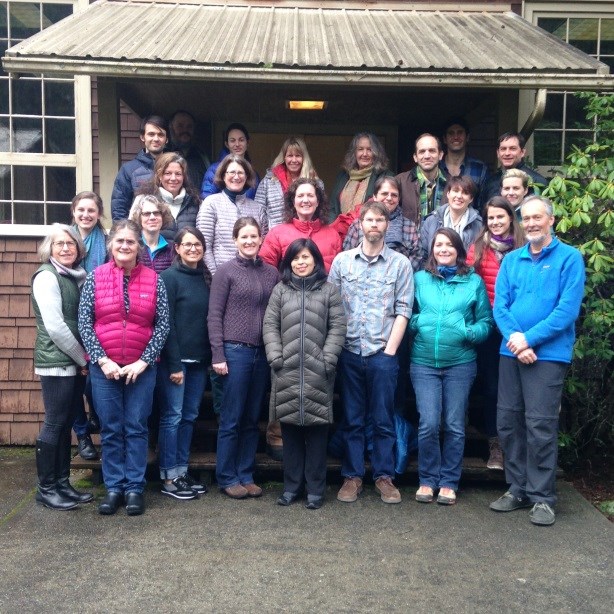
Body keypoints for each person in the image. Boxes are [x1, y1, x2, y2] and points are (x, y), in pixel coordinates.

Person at [490, 196, 585, 526]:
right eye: (525, 218)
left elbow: (567, 311)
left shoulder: (569, 259)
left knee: (540, 425)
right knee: (509, 422)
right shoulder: (512, 260)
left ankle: (543, 497)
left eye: (536, 218)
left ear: (551, 220)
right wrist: (518, 341)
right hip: (511, 353)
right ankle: (518, 489)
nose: (530, 223)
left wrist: (528, 339)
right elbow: (500, 307)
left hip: (548, 356)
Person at [78, 219, 170, 516]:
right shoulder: (95, 277)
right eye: (120, 242)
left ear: (139, 247)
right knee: (111, 428)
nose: (125, 246)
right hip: (104, 368)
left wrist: (143, 361)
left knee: (136, 427)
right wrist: (102, 360)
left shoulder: (155, 280)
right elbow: (85, 323)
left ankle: (134, 488)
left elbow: (162, 325)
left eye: (131, 242)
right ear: (111, 245)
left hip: (141, 369)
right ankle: (114, 487)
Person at [329, 201, 413, 505]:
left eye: (380, 220)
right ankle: (352, 476)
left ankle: (383, 476)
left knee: (382, 418)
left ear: (386, 226)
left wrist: (390, 352)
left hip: (383, 352)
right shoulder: (342, 262)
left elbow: (403, 310)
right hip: (349, 351)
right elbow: (332, 307)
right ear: (360, 225)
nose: (374, 225)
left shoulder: (400, 264)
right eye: (369, 220)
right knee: (352, 418)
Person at [411, 228, 492, 505]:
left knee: (455, 425)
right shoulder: (420, 279)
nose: (443, 249)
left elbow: (485, 322)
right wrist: (417, 324)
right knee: (429, 423)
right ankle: (427, 479)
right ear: (432, 249)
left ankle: (448, 482)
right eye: (438, 245)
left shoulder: (473, 282)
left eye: (449, 245)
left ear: (459, 249)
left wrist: (468, 334)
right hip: (423, 363)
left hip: (460, 364)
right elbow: (406, 313)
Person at [263, 239, 346, 510]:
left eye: (306, 257)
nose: (301, 263)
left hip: (317, 372)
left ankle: (315, 490)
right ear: (289, 263)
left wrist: (327, 359)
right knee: (291, 437)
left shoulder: (329, 291)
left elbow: (337, 327)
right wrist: (276, 357)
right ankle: (291, 488)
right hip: (285, 371)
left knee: (317, 437)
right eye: (296, 258)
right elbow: (270, 326)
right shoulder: (280, 291)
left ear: (316, 261)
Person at [208, 217, 279, 499]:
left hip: (261, 354)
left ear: (261, 239)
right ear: (235, 240)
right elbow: (214, 315)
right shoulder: (225, 272)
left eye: (254, 236)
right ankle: (227, 476)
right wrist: (217, 353)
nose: (249, 241)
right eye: (244, 237)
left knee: (251, 419)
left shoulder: (271, 273)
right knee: (231, 418)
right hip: (234, 352)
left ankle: (246, 473)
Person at [32, 224, 93, 510]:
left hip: (72, 361)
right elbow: (56, 327)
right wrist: (83, 358)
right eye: (59, 244)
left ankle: (61, 483)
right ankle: (46, 489)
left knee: (66, 423)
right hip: (57, 361)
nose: (66, 248)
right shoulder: (47, 277)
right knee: (54, 424)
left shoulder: (72, 277)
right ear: (50, 249)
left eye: (70, 243)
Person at [467, 197, 526, 470]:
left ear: (511, 218)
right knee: (492, 387)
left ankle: (517, 445)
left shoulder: (525, 247)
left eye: (501, 216)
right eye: (491, 218)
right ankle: (496, 445)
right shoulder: (478, 247)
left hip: (519, 328)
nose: (496, 222)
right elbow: (467, 282)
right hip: (490, 326)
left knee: (516, 388)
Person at [157, 227, 212, 500]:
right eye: (187, 244)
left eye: (197, 244)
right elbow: (166, 326)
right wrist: (175, 364)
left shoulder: (205, 277)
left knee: (189, 417)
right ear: (176, 248)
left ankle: (181, 469)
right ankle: (168, 476)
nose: (193, 249)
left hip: (200, 362)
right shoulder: (168, 278)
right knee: (173, 417)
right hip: (175, 364)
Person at [70, 191, 107, 460]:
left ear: (98, 213)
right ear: (74, 212)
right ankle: (82, 435)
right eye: (81, 210)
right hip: (69, 314)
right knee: (73, 383)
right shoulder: (64, 240)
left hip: (96, 316)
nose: (86, 215)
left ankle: (96, 416)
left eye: (91, 210)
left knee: (93, 379)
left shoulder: (104, 242)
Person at [197, 154, 267, 276]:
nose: (236, 177)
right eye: (231, 172)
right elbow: (204, 246)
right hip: (221, 277)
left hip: (252, 277)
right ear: (223, 176)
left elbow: (264, 246)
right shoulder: (211, 203)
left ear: (247, 177)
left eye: (241, 173)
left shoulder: (258, 208)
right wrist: (216, 277)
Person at [259, 178, 341, 273]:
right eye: (300, 196)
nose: (305, 200)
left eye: (310, 195)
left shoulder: (333, 235)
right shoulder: (276, 233)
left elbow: (338, 274)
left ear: (318, 202)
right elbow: (264, 272)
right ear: (293, 202)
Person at [343, 176, 421, 271]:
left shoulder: (410, 226)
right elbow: (347, 256)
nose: (389, 198)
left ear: (399, 199)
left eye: (394, 195)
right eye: (384, 193)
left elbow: (417, 256)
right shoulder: (358, 224)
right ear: (374, 197)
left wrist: (394, 276)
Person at [255, 136, 322, 228]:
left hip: (306, 238)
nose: (294, 160)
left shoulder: (315, 182)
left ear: (304, 158)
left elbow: (321, 212)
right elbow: (258, 212)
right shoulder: (269, 181)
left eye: (298, 156)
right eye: (290, 156)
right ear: (284, 157)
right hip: (276, 237)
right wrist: (267, 237)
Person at [111, 115, 169, 221]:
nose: (156, 139)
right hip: (139, 234)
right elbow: (119, 209)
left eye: (160, 135)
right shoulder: (128, 170)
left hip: (170, 235)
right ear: (142, 137)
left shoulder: (175, 168)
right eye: (151, 134)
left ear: (167, 139)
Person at [329, 132, 393, 221]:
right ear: (354, 152)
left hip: (368, 230)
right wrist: (333, 229)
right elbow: (332, 207)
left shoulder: (385, 176)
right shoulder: (342, 176)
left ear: (376, 153)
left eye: (369, 149)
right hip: (339, 231)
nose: (365, 154)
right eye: (360, 149)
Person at [137, 152, 202, 240]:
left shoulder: (195, 202)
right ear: (160, 176)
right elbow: (134, 234)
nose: (173, 178)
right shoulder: (143, 201)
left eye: (178, 174)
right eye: (168, 173)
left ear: (184, 177)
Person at [419, 175, 482, 264]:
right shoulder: (431, 221)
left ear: (471, 199)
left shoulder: (479, 225)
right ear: (448, 194)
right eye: (455, 191)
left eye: (465, 193)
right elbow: (423, 256)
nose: (459, 196)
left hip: (465, 275)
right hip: (435, 274)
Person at [480, 132, 547, 208]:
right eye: (503, 149)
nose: (507, 153)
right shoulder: (490, 182)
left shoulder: (537, 181)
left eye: (512, 149)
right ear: (498, 153)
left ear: (522, 152)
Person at [396, 133, 448, 225]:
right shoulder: (399, 182)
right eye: (422, 151)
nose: (427, 156)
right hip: (409, 239)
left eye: (432, 151)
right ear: (415, 157)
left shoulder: (453, 184)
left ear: (440, 155)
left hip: (442, 239)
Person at [200, 123, 259, 200]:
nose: (237, 144)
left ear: (247, 143)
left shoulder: (253, 173)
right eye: (232, 141)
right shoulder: (215, 169)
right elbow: (206, 198)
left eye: (241, 140)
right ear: (227, 144)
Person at [439, 117, 488, 199]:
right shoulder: (436, 167)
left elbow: (484, 203)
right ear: (444, 139)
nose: (456, 137)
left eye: (460, 132)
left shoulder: (480, 168)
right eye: (451, 133)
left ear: (467, 137)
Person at [129, 194, 175, 273]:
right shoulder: (131, 246)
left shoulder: (172, 249)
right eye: (147, 214)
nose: (152, 217)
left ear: (162, 217)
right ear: (139, 218)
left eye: (156, 213)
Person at [169, 110, 210, 190]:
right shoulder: (164, 154)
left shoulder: (202, 157)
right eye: (180, 126)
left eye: (189, 127)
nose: (185, 130)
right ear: (171, 128)